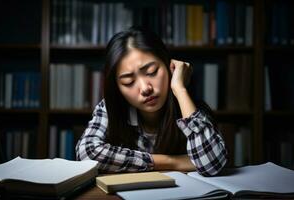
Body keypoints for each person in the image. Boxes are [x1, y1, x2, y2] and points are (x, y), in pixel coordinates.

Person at [75, 27, 227, 176]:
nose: (145, 88)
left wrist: (180, 89)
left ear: (170, 66)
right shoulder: (110, 107)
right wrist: (171, 162)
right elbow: (86, 153)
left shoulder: (189, 107)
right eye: (128, 82)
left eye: (152, 72)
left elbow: (212, 164)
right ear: (117, 88)